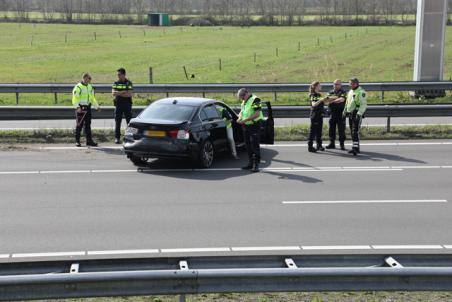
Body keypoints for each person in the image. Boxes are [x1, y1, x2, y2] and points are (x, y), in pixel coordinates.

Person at [237, 88, 264, 173]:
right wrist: (239, 118)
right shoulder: (244, 101)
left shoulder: (255, 99)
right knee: (248, 145)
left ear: (246, 93)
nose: (242, 99)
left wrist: (245, 120)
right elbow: (242, 111)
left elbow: (257, 114)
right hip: (246, 126)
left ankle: (256, 165)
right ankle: (250, 163)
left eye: (242, 97)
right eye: (240, 98)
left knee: (254, 145)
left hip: (254, 125)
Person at [72, 73, 99, 147]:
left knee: (88, 125)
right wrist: (77, 107)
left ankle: (89, 141)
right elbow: (75, 98)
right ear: (83, 78)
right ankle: (77, 141)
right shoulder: (78, 87)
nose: (89, 80)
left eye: (90, 78)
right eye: (88, 78)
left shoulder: (90, 87)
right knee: (79, 125)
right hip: (81, 108)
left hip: (88, 108)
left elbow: (92, 98)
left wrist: (96, 106)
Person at [343, 77, 367, 156]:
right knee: (352, 131)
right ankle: (356, 147)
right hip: (350, 113)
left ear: (356, 83)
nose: (350, 85)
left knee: (355, 131)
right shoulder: (351, 91)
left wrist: (359, 114)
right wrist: (345, 111)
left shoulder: (361, 92)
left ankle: (355, 149)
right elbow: (347, 102)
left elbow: (363, 105)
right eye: (350, 83)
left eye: (352, 84)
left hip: (357, 113)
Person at [307, 81, 330, 153]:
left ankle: (319, 145)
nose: (321, 86)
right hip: (315, 115)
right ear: (316, 86)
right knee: (313, 131)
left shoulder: (318, 94)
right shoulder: (313, 95)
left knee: (319, 131)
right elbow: (314, 104)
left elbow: (323, 102)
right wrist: (321, 99)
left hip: (320, 115)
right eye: (320, 85)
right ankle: (310, 147)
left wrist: (331, 99)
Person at [112, 68, 134, 144]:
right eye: (117, 74)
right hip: (118, 105)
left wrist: (119, 93)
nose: (118, 76)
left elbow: (130, 94)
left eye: (119, 74)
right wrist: (123, 92)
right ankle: (117, 138)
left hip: (127, 105)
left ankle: (129, 137)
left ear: (124, 74)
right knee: (118, 122)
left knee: (129, 122)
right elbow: (113, 93)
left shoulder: (129, 83)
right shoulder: (115, 82)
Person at [326, 79, 347, 150]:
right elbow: (327, 100)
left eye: (337, 84)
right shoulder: (330, 92)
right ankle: (332, 143)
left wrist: (332, 100)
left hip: (341, 113)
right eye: (334, 84)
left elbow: (342, 99)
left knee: (341, 129)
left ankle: (342, 144)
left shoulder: (343, 92)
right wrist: (337, 98)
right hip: (332, 113)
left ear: (340, 85)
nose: (335, 85)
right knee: (331, 129)